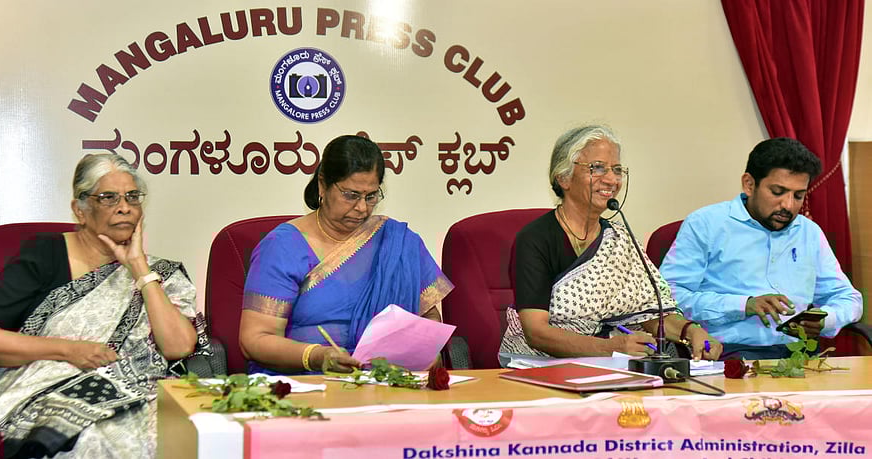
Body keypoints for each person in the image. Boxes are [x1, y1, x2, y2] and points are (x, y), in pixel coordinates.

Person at [0, 154, 209, 458]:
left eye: (132, 197)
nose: (124, 207)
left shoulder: (159, 272)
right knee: (97, 437)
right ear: (79, 210)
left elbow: (177, 347)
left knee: (184, 429)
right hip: (55, 390)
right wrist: (66, 349)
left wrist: (139, 269)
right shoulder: (46, 255)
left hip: (143, 392)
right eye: (108, 198)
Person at [499, 125, 722, 364]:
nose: (612, 180)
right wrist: (608, 348)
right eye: (597, 168)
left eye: (617, 170)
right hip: (538, 365)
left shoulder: (620, 239)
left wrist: (691, 331)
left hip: (609, 365)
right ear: (563, 177)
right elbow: (537, 333)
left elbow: (650, 315)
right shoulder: (535, 239)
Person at [239, 135, 453, 375]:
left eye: (371, 196)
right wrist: (316, 356)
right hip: (306, 385)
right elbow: (255, 339)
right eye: (351, 195)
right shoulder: (282, 246)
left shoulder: (398, 241)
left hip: (387, 383)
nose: (362, 207)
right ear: (323, 184)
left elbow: (428, 318)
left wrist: (421, 351)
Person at [660, 137, 862, 360]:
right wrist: (743, 305)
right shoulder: (706, 224)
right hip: (727, 353)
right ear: (749, 184)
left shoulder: (809, 232)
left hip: (800, 355)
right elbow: (668, 299)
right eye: (777, 192)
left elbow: (848, 298)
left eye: (798, 195)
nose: (788, 205)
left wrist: (826, 318)